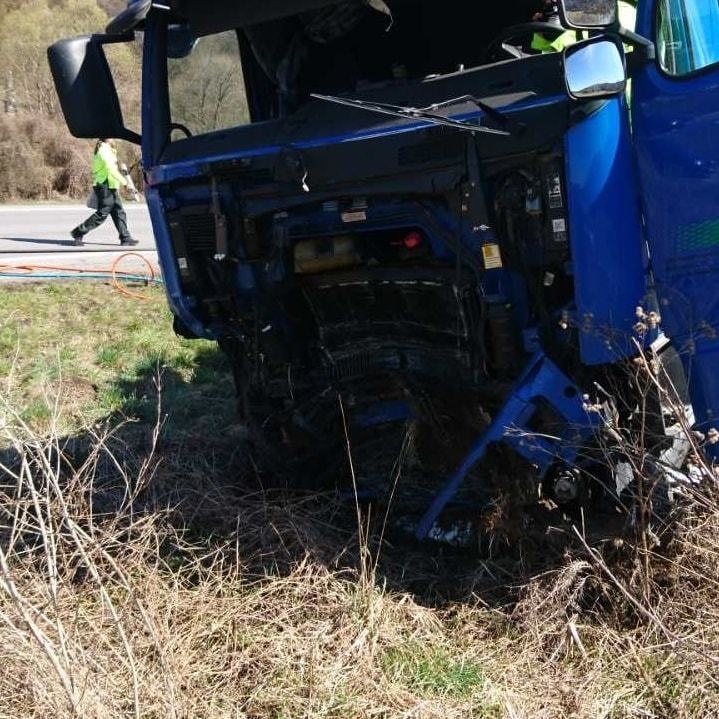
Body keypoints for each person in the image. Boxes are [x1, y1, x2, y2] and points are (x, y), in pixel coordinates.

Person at [71, 139, 137, 246]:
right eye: (113, 137)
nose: (116, 139)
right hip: (104, 186)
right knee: (102, 213)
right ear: (108, 138)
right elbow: (111, 170)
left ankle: (125, 237)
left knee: (119, 212)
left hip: (110, 185)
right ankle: (78, 232)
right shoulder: (104, 150)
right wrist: (125, 183)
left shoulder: (109, 150)